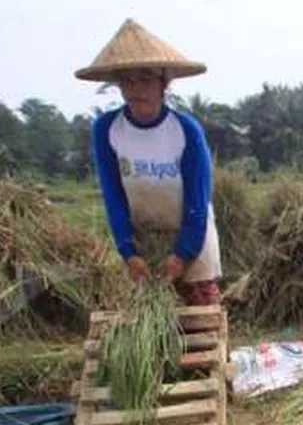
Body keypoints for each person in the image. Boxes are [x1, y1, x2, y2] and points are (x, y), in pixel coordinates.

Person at [75, 19, 222, 307]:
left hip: (192, 234)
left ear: (163, 83)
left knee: (201, 320)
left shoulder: (185, 130)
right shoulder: (107, 129)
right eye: (127, 81)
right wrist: (129, 252)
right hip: (144, 242)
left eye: (145, 79)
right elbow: (113, 195)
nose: (136, 89)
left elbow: (198, 199)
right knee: (151, 323)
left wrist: (183, 253)